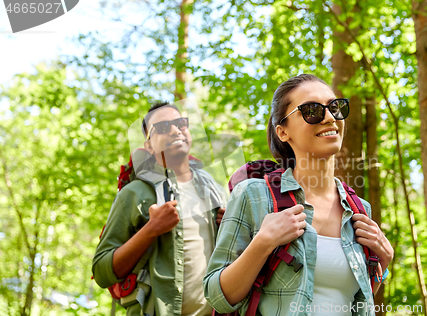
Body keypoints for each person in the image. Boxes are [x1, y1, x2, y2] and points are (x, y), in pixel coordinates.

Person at [204, 74, 394, 316]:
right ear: (283, 132)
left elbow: (355, 303)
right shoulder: (254, 195)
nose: (329, 117)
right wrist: (263, 242)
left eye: (335, 107)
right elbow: (217, 296)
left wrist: (383, 264)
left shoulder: (359, 209)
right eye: (311, 110)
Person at [93, 102, 227, 316]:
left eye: (181, 123)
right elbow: (101, 272)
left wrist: (228, 224)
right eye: (163, 127)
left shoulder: (213, 189)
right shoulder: (134, 193)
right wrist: (151, 229)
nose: (175, 130)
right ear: (148, 146)